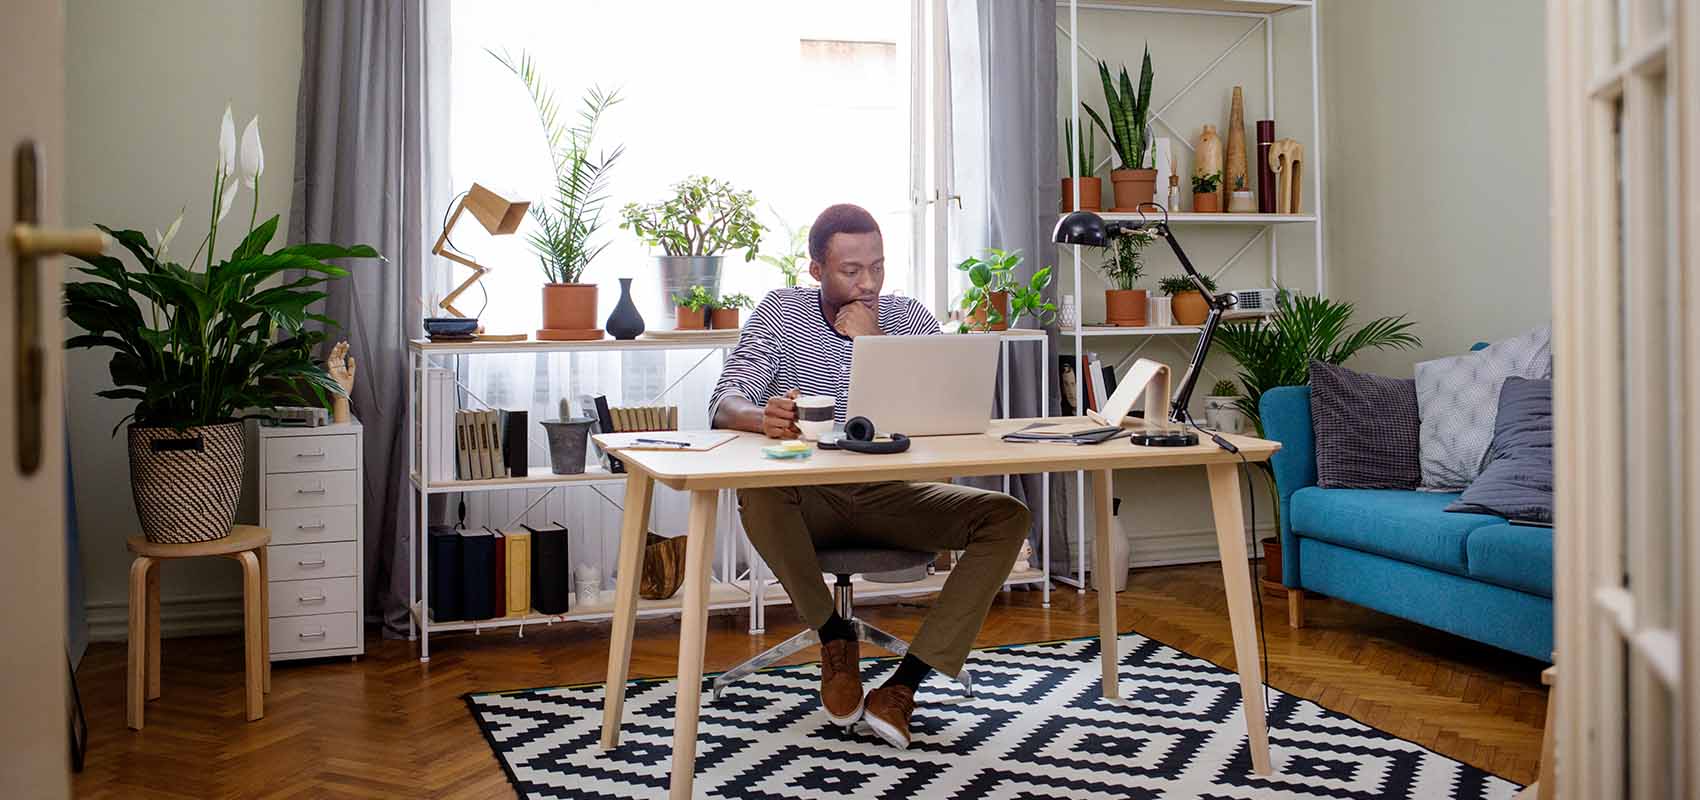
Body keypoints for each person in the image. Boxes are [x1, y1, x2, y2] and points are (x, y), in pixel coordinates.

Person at [709, 203, 1031, 749]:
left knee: (1007, 517)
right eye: (850, 271)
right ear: (817, 270)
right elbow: (723, 401)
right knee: (757, 492)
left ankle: (903, 686)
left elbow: (945, 409)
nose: (867, 282)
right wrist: (759, 416)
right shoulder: (780, 314)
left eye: (877, 268)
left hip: (892, 497)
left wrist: (873, 340)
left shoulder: (908, 317)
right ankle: (834, 636)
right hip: (807, 500)